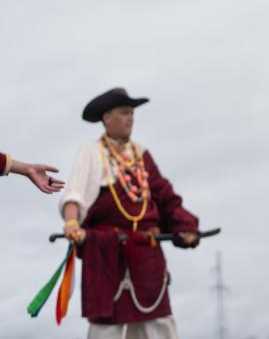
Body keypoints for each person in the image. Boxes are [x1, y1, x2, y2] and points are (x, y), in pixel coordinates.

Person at [59, 88, 200, 338]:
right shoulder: (90, 153)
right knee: (106, 329)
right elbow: (74, 196)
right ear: (106, 117)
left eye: (132, 113)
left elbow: (166, 198)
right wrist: (72, 223)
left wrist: (186, 228)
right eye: (124, 113)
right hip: (106, 255)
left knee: (159, 324)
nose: (130, 118)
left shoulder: (141, 155)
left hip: (147, 255)